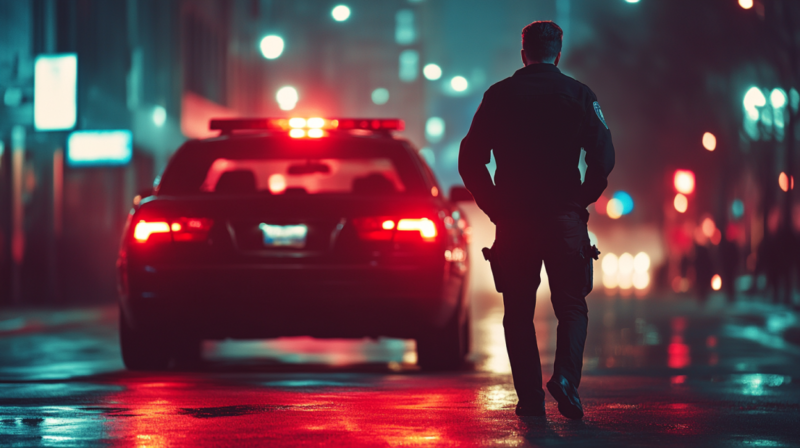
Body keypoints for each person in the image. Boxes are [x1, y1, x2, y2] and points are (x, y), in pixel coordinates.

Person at [459, 21, 615, 419]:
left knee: (517, 310)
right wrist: (579, 202)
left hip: (515, 220)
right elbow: (602, 159)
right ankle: (565, 380)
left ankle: (529, 397)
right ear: (557, 54)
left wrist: (494, 205)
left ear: (523, 53)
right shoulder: (580, 95)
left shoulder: (498, 96)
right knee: (572, 305)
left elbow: (471, 159)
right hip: (564, 219)